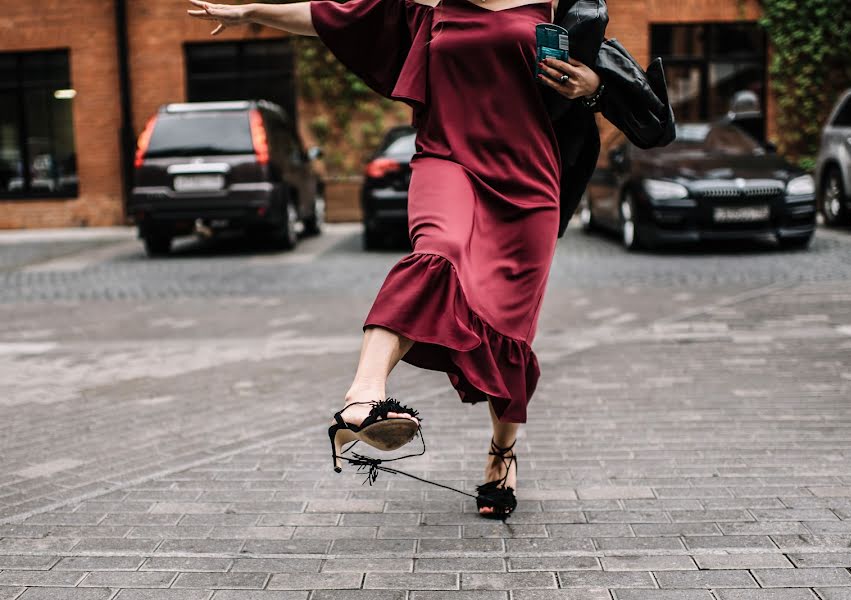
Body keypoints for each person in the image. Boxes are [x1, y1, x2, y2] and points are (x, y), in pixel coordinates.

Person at [188, 0, 602, 519]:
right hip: (447, 159)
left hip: (528, 182)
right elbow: (331, 16)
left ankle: (502, 453)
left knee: (510, 328)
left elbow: (607, 75)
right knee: (437, 252)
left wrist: (592, 88)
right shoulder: (427, 3)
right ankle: (362, 397)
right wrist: (253, 12)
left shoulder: (558, 1)